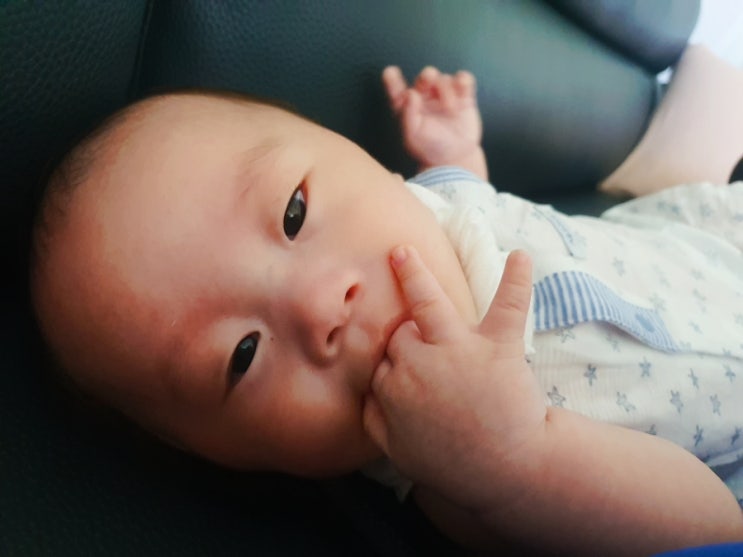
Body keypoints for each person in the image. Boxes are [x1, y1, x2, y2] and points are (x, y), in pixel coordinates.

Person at [30, 65, 743, 556]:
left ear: (351, 149)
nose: (319, 307)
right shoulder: (463, 483)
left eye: (293, 212)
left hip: (701, 244)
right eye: (242, 355)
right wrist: (520, 458)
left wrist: (455, 149)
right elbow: (716, 525)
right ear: (242, 459)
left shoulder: (427, 205)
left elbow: (472, 202)